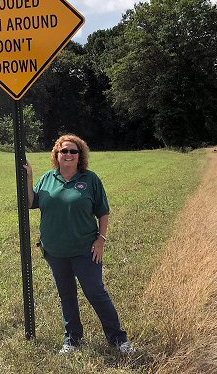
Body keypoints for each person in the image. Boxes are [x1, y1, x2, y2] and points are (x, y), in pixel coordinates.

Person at [23, 134, 134, 355]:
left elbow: (103, 212)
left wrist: (101, 240)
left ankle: (119, 339)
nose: (68, 155)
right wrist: (29, 177)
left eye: (73, 151)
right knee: (67, 295)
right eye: (64, 151)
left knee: (95, 292)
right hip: (55, 251)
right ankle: (73, 339)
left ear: (79, 155)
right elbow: (30, 202)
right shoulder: (47, 179)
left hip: (86, 249)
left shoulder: (90, 180)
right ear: (57, 154)